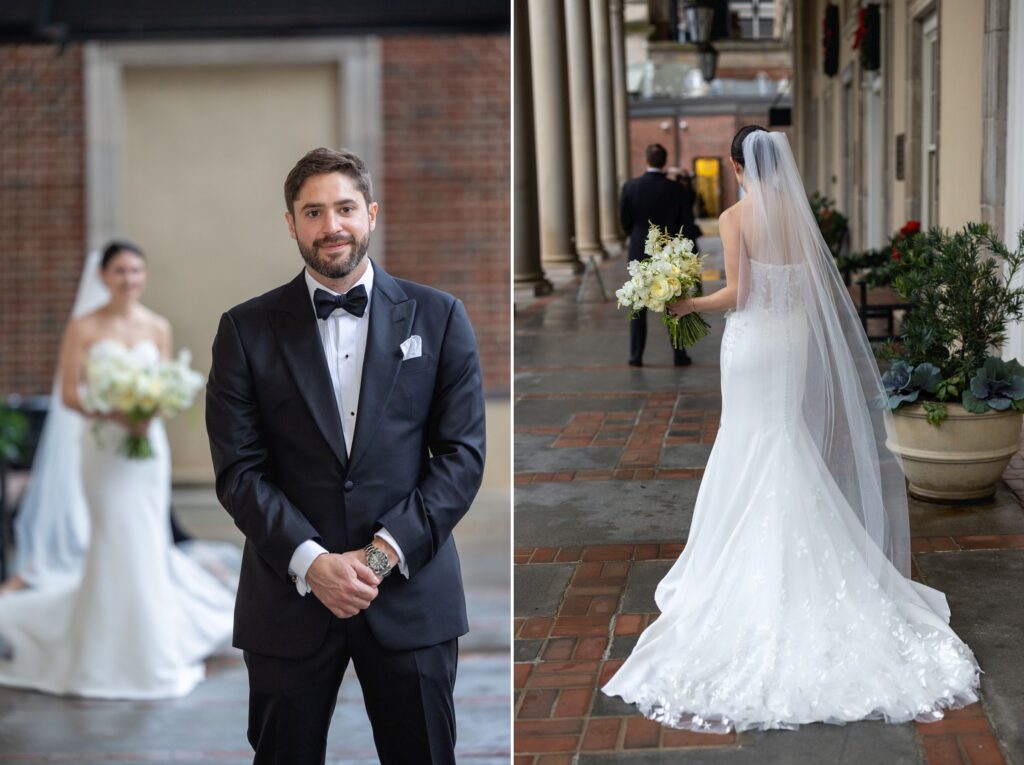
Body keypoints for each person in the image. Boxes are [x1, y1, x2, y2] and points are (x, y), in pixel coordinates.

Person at [602, 127, 979, 732]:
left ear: (736, 165)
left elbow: (739, 292)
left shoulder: (735, 215)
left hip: (753, 343)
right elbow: (804, 289)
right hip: (793, 340)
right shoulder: (799, 217)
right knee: (783, 437)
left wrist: (687, 305)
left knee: (748, 439)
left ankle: (741, 557)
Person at [205, 147, 486, 764]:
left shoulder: (439, 317)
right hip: (289, 598)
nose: (331, 225)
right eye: (313, 212)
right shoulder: (245, 330)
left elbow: (462, 458)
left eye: (344, 208)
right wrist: (313, 563)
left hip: (411, 594)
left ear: (371, 214)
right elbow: (238, 472)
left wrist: (382, 556)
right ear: (291, 224)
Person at [0, 241, 234, 698]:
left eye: (135, 271)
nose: (128, 279)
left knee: (147, 537)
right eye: (120, 271)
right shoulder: (84, 327)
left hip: (146, 448)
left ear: (143, 276)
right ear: (104, 276)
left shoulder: (157, 327)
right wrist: (114, 413)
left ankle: (150, 645)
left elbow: (165, 384)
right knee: (112, 535)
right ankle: (102, 651)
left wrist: (151, 410)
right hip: (103, 448)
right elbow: (70, 394)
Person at [621, 143, 693, 367]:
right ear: (664, 162)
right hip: (667, 253)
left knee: (638, 307)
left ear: (646, 160)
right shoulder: (676, 189)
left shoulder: (630, 187)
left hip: (638, 251)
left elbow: (625, 222)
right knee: (673, 303)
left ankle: (636, 356)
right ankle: (679, 355)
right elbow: (685, 223)